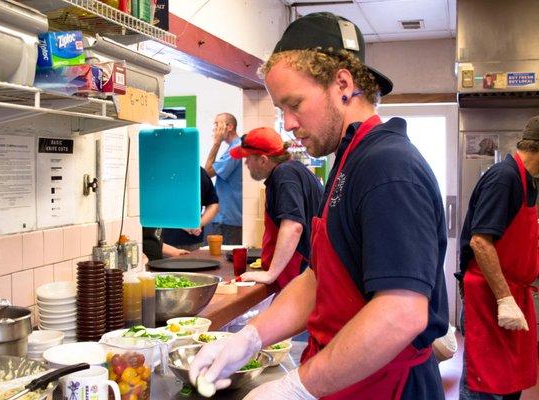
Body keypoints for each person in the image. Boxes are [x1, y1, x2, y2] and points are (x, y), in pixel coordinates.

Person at [188, 12, 449, 400]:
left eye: (294, 104)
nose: (288, 123)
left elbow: (400, 313)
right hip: (347, 380)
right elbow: (317, 279)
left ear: (343, 83)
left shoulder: (388, 165)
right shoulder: (349, 159)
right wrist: (248, 338)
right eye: (281, 110)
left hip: (387, 386)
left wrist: (296, 387)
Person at [457, 116, 539, 399]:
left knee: (507, 386)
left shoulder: (528, 181)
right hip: (489, 300)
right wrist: (505, 300)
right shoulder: (504, 178)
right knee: (485, 386)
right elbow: (480, 242)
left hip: (510, 295)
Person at [229, 127, 323, 288]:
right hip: (299, 274)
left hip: (297, 277)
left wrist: (270, 273)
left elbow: (293, 226)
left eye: (247, 158)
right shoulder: (292, 170)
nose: (246, 163)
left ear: (263, 160)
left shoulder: (284, 174)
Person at [204, 113, 243, 244]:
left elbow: (207, 172)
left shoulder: (236, 149)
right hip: (228, 218)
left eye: (217, 124)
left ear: (229, 127)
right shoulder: (233, 147)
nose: (215, 129)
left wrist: (216, 143)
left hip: (227, 220)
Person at [161, 167, 219, 251]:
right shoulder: (161, 172)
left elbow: (213, 204)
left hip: (192, 241)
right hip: (164, 242)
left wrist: (198, 223)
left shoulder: (199, 172)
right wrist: (185, 225)